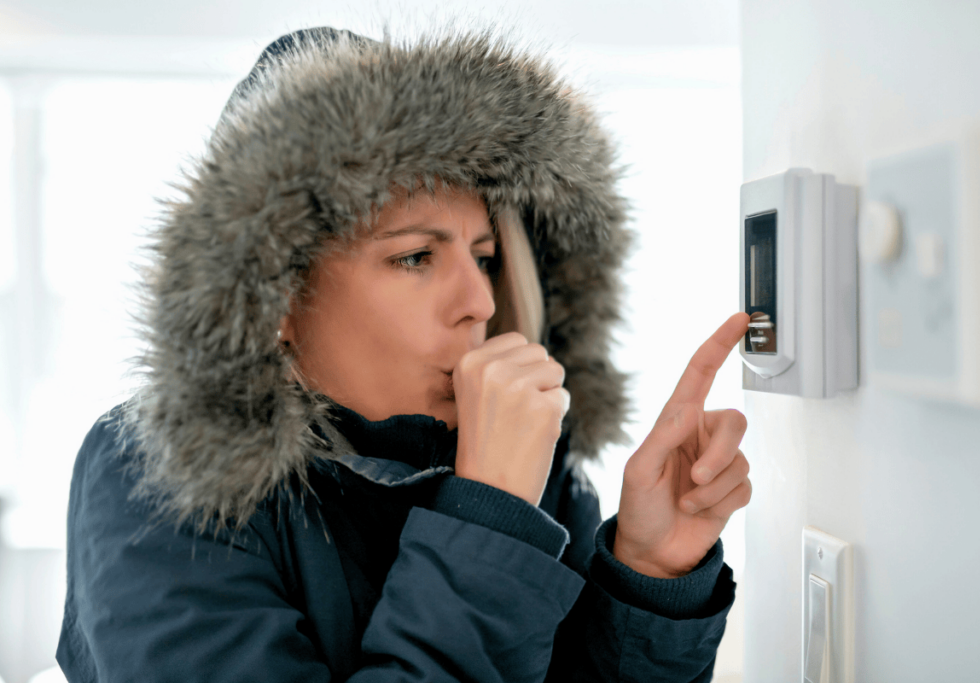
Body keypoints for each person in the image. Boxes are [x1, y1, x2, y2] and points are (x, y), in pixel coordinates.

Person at [56, 26, 752, 682]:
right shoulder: (156, 473)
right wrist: (488, 517)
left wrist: (648, 571)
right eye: (415, 256)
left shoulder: (538, 470)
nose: (478, 300)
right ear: (272, 296)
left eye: (484, 258)